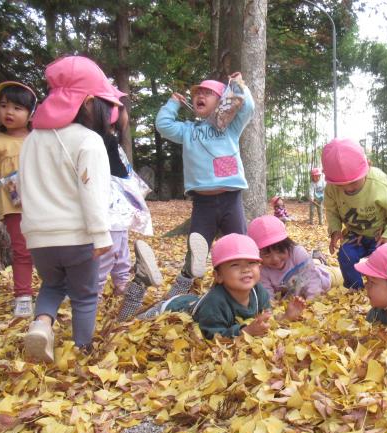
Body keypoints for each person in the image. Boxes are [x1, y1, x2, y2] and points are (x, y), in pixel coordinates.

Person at [19, 55, 125, 362]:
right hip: (79, 237)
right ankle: (83, 349)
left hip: (39, 238)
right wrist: (101, 236)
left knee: (52, 285)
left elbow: (23, 188)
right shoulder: (88, 141)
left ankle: (41, 325)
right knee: (84, 295)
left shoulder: (30, 141)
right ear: (89, 102)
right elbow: (93, 193)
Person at [156, 74, 254, 299]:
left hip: (231, 199)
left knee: (239, 246)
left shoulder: (229, 127)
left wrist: (238, 86)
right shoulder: (188, 130)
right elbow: (163, 126)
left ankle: (243, 289)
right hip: (203, 203)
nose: (200, 95)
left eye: (207, 93)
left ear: (221, 101)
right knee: (196, 248)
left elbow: (247, 108)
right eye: (197, 93)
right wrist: (172, 103)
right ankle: (184, 291)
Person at [117, 233, 304, 339]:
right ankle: (140, 282)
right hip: (170, 311)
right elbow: (211, 335)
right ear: (218, 276)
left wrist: (285, 317)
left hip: (191, 302)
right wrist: (244, 332)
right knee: (126, 325)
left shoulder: (258, 292)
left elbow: (264, 323)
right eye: (235, 265)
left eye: (251, 264)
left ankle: (187, 274)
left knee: (174, 299)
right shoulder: (216, 302)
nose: (246, 270)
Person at [0, 81, 38, 317]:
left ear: (31, 114)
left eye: (17, 108)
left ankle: (56, 287)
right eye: (3, 106)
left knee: (51, 247)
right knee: (22, 251)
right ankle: (23, 295)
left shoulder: (39, 137)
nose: (8, 112)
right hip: (15, 207)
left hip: (46, 204)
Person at [322, 138, 387, 289]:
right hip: (355, 235)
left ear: (367, 166)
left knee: (386, 260)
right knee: (345, 256)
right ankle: (355, 288)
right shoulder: (331, 188)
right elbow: (331, 210)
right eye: (341, 185)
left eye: (354, 182)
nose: (348, 189)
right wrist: (335, 230)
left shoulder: (378, 182)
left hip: (381, 234)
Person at [97, 95, 155, 298]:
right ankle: (97, 289)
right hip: (110, 206)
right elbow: (120, 171)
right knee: (113, 246)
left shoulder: (104, 139)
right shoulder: (105, 140)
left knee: (119, 244)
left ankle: (121, 283)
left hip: (114, 207)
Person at [247, 215, 342, 300]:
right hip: (295, 289)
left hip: (323, 278)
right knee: (311, 264)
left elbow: (312, 278)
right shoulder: (262, 271)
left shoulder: (297, 253)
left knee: (342, 274)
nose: (275, 259)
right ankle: (315, 259)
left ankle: (317, 260)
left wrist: (312, 301)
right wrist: (270, 310)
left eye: (279, 251)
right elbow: (267, 294)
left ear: (288, 244)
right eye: (267, 255)